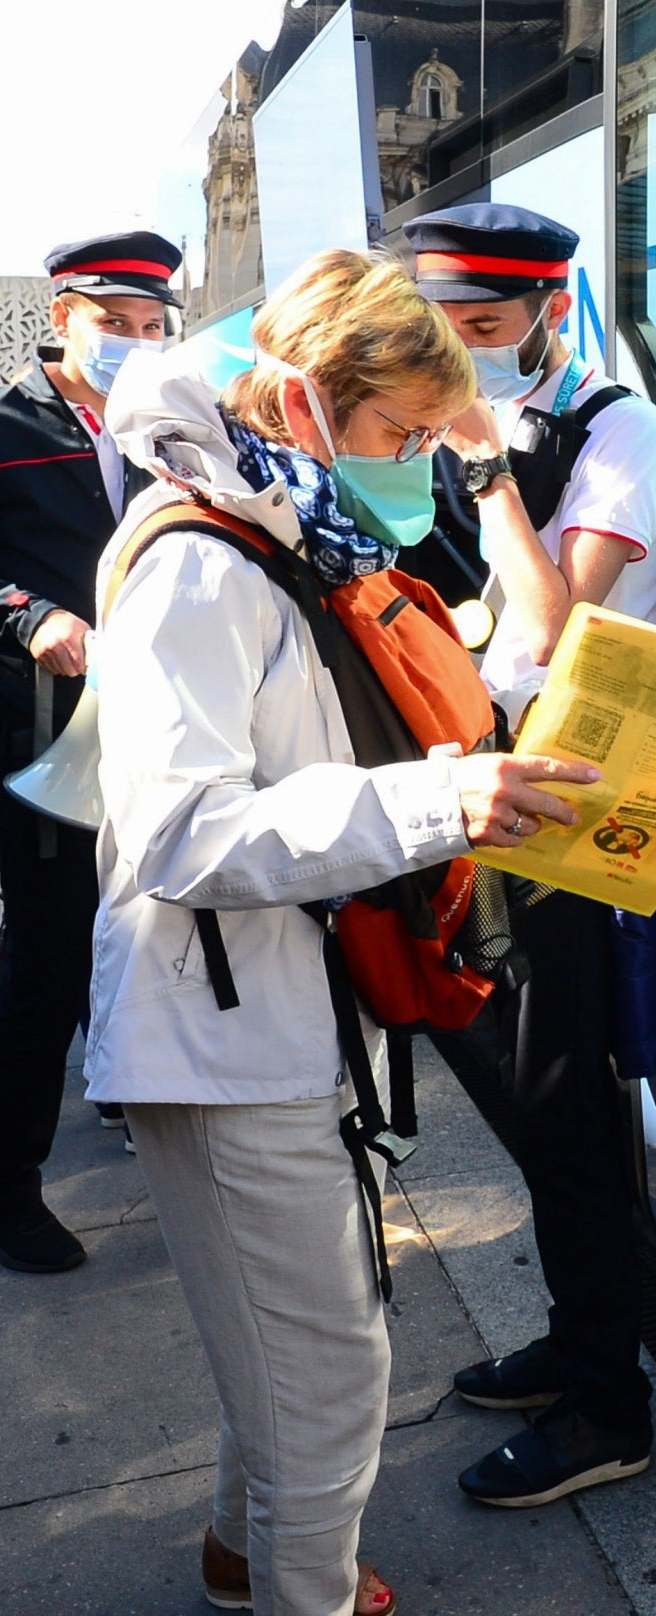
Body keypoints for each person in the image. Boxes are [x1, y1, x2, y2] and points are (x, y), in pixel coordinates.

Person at [92, 248, 599, 1615]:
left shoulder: (268, 533)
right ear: (302, 403)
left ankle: (240, 1557)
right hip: (225, 1034)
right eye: (399, 436)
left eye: (434, 439)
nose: (416, 467)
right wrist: (437, 800)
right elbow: (175, 833)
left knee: (291, 1354)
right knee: (329, 1384)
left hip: (266, 1020)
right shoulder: (203, 567)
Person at [413, 203, 656, 1507]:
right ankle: (580, 1343)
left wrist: (481, 469)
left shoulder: (612, 430)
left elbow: (560, 620)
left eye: (483, 331)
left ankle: (610, 1405)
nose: (461, 360)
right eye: (442, 336)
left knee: (568, 1108)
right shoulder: (509, 430)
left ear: (547, 313)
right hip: (495, 802)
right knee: (530, 1096)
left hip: (572, 816)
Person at [0, 232, 178, 1271]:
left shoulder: (166, 424)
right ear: (63, 316)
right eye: (115, 325)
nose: (136, 343)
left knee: (149, 924)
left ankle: (127, 1087)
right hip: (42, 731)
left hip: (156, 723)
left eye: (154, 326)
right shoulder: (10, 424)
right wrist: (30, 617)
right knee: (50, 955)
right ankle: (14, 1184)